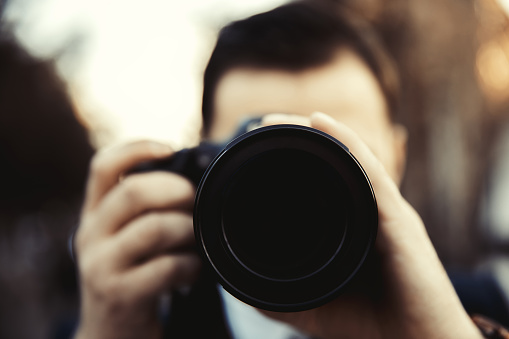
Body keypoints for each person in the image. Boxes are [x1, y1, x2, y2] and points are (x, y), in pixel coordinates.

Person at [72, 1, 495, 338]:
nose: (295, 200)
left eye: (339, 155)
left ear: (396, 158)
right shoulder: (126, 315)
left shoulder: (480, 311)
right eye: (261, 164)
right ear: (206, 166)